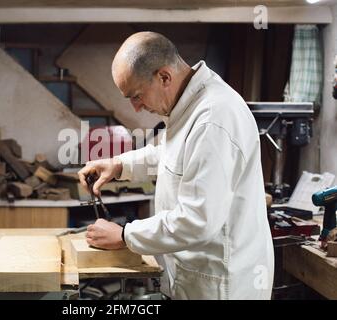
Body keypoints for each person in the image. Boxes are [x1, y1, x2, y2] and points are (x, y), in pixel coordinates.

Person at [78, 32, 274, 300]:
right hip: (195, 274)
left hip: (221, 286)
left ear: (164, 77)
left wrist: (125, 235)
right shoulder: (190, 104)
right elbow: (171, 154)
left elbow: (197, 221)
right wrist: (119, 165)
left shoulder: (213, 119)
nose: (136, 108)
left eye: (136, 96)